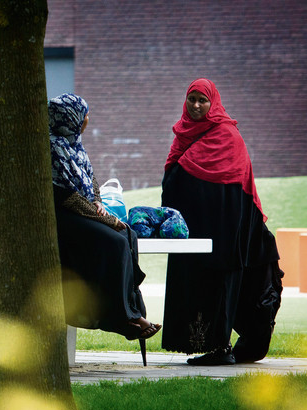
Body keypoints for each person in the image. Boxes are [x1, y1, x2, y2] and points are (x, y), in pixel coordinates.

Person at [161, 78, 283, 365]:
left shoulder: (227, 135)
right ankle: (209, 346)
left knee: (222, 282)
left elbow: (239, 184)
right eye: (192, 99)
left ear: (213, 103)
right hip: (197, 226)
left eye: (202, 100)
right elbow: (174, 176)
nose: (196, 106)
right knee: (198, 283)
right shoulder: (183, 134)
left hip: (227, 228)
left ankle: (221, 348)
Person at [48, 93, 161, 341]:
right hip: (65, 216)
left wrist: (98, 201)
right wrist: (106, 219)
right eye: (84, 114)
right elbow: (67, 197)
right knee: (116, 242)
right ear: (70, 117)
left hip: (83, 209)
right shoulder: (54, 147)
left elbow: (92, 180)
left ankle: (133, 312)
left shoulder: (74, 143)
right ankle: (124, 318)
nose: (87, 118)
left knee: (128, 235)